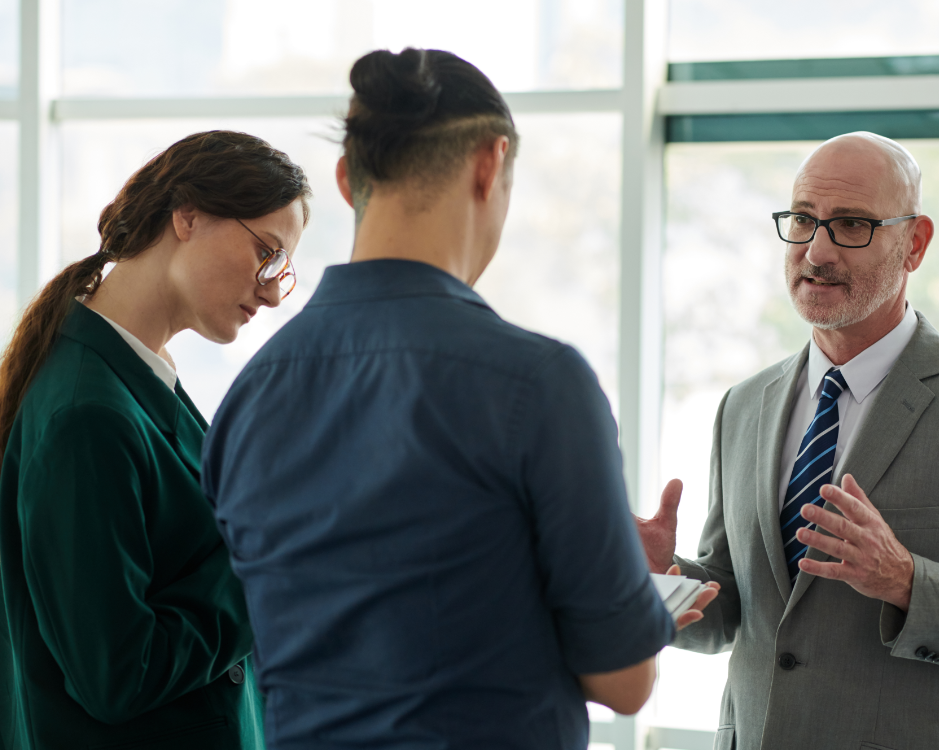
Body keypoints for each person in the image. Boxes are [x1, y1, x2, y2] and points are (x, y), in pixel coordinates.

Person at [201, 48, 716, 750]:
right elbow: (622, 683)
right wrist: (627, 589)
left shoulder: (248, 397)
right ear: (489, 164)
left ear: (349, 179)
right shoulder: (539, 383)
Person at [637, 132, 939, 750]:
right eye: (803, 220)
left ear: (914, 244)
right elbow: (737, 609)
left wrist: (905, 580)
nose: (816, 250)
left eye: (850, 226)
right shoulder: (743, 406)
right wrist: (660, 578)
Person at [0, 130, 310, 750]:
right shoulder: (88, 415)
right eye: (266, 253)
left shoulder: (133, 375)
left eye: (281, 270)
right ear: (187, 215)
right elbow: (116, 676)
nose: (270, 291)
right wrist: (263, 563)